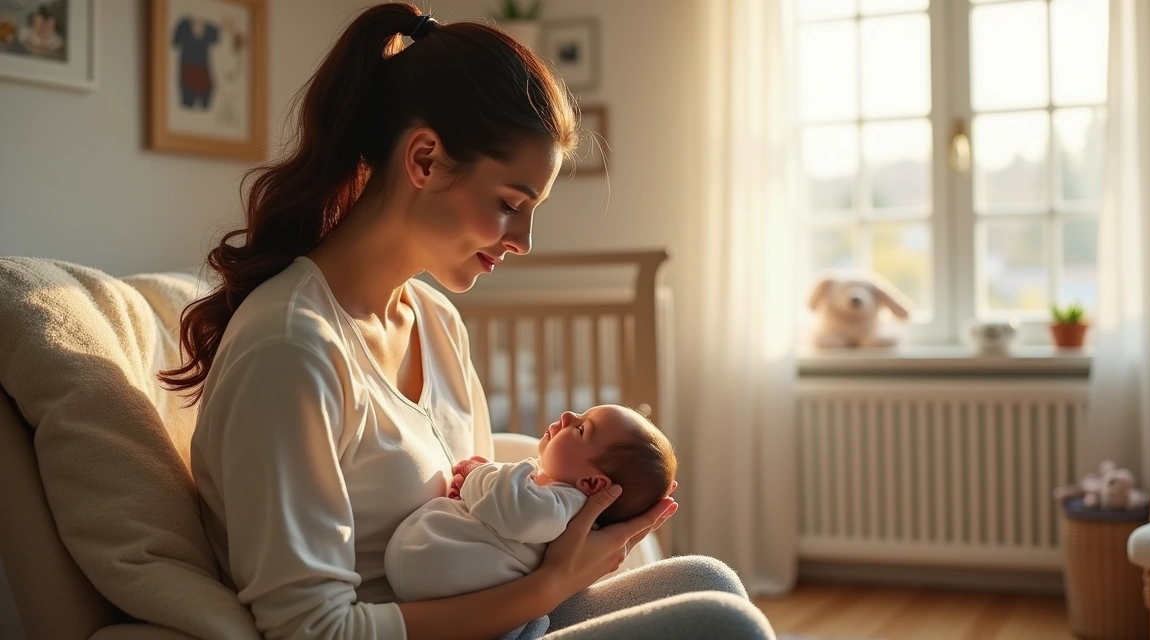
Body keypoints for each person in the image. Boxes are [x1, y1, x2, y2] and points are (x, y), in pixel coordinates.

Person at [161, 4, 776, 639]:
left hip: (491, 620)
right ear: (424, 159)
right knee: (724, 623)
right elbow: (313, 631)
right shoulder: (290, 348)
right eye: (511, 204)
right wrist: (551, 584)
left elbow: (477, 515)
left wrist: (569, 547)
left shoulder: (436, 322)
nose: (525, 240)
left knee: (710, 580)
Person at [386, 405, 677, 639]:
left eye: (581, 429)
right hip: (446, 599)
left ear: (590, 483)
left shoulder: (563, 505)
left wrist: (479, 474)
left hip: (447, 588)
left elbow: (512, 507)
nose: (567, 415)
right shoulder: (551, 501)